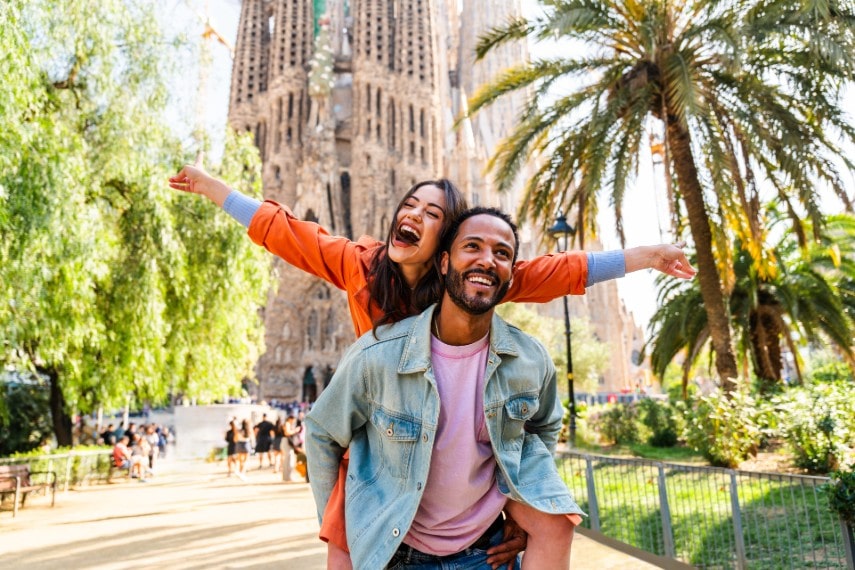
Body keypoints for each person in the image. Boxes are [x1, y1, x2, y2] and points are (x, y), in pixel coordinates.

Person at [169, 165, 695, 568]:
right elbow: (287, 234)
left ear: (444, 247)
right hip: (388, 424)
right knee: (345, 534)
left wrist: (643, 256)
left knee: (537, 511)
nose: (414, 216)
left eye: (432, 214)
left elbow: (551, 272)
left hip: (449, 431)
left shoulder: (466, 283)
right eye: (410, 205)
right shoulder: (364, 266)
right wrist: (214, 187)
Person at [307, 207, 601, 568]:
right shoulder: (378, 355)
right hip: (397, 555)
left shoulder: (529, 359)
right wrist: (342, 527)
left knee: (560, 521)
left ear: (510, 273)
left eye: (502, 253)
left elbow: (544, 426)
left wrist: (525, 504)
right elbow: (322, 432)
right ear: (444, 263)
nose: (487, 261)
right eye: (472, 247)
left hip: (486, 554)